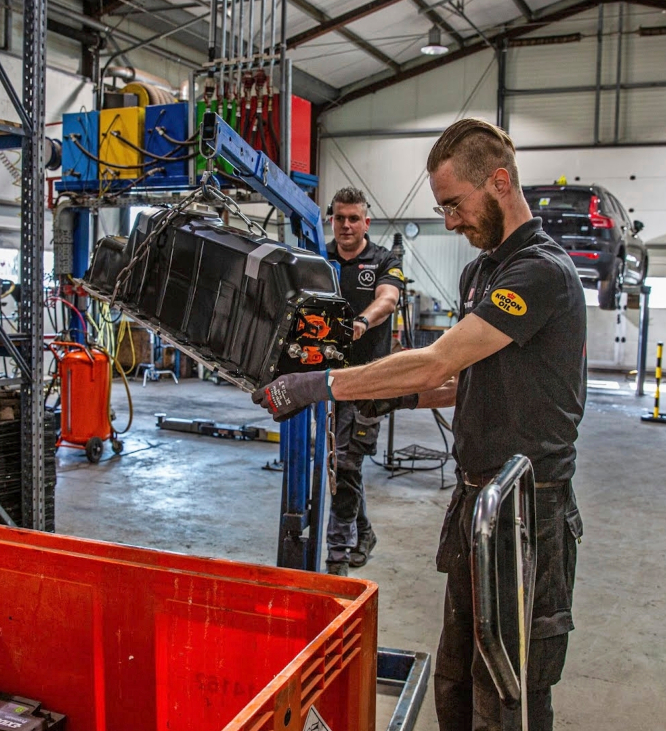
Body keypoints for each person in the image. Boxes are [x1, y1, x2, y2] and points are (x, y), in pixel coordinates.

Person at [251, 118, 586, 731]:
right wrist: (397, 398)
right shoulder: (482, 272)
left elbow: (437, 359)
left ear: (501, 182)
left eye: (455, 205)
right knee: (457, 680)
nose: (450, 221)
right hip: (476, 501)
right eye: (442, 207)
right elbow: (462, 381)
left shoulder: (540, 272)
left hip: (527, 509)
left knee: (510, 691)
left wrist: (321, 384)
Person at [323, 187, 404, 577]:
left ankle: (336, 556)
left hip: (371, 382)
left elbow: (387, 300)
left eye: (354, 218)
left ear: (366, 222)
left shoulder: (385, 260)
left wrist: (362, 321)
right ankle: (364, 533)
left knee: (346, 462)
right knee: (343, 465)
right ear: (332, 220)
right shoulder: (319, 258)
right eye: (340, 218)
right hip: (329, 381)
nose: (347, 226)